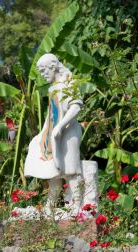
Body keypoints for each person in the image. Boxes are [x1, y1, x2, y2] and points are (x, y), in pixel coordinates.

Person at [24, 53, 83, 216]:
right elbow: (51, 114)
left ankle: (77, 205)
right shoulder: (51, 88)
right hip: (53, 132)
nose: (43, 75)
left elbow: (76, 107)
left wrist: (61, 127)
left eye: (44, 71)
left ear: (53, 66)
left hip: (69, 130)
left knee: (71, 168)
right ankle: (50, 205)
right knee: (53, 169)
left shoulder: (69, 82)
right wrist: (43, 134)